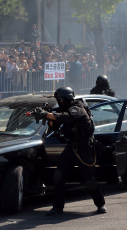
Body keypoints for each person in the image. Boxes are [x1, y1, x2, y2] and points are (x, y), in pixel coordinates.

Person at [32, 87, 106, 215]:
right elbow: (54, 126)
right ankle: (57, 207)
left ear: (68, 98)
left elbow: (67, 116)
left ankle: (100, 204)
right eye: (57, 100)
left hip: (85, 147)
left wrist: (48, 114)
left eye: (61, 99)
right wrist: (48, 115)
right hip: (71, 147)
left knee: (89, 180)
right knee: (58, 175)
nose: (59, 102)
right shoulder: (61, 109)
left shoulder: (78, 108)